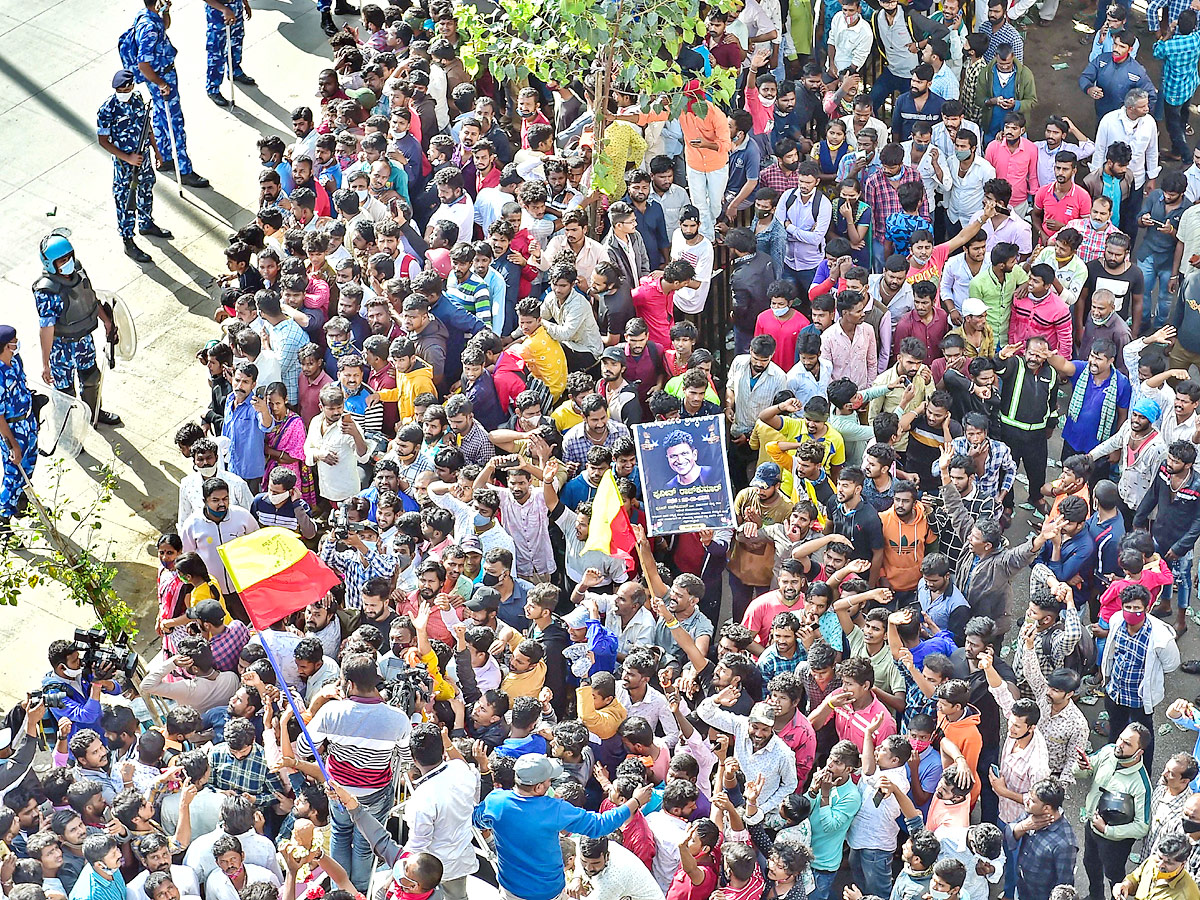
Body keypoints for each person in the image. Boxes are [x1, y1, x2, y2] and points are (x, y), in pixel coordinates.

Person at [33, 233, 123, 426]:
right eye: (62, 260)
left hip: (84, 341)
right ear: (50, 264)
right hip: (61, 348)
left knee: (91, 378)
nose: (68, 263)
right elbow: (46, 329)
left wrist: (107, 322)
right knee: (65, 394)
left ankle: (95, 414)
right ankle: (68, 433)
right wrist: (46, 363)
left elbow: (90, 300)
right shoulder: (47, 290)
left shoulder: (78, 273)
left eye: (69, 257)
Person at [123, 0, 209, 187]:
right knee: (174, 124)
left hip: (162, 75)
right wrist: (161, 83)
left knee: (162, 119)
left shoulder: (149, 17)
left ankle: (165, 158)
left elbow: (164, 26)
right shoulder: (149, 29)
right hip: (161, 78)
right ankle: (184, 170)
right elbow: (143, 64)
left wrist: (166, 12)